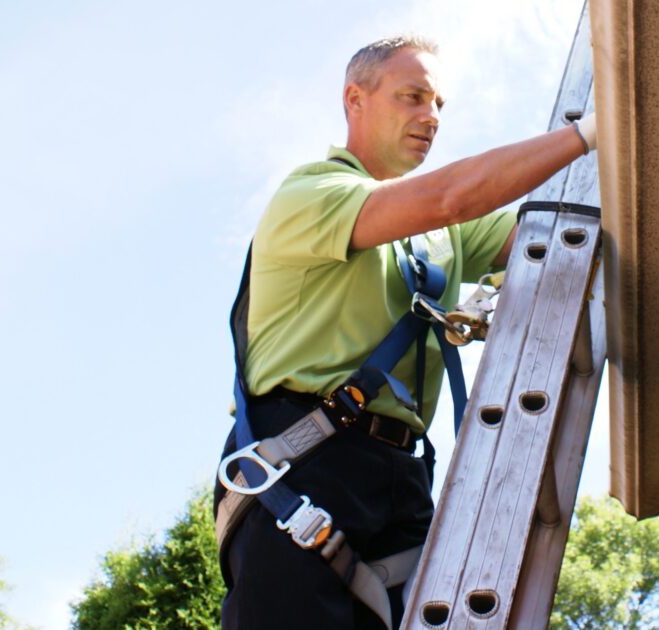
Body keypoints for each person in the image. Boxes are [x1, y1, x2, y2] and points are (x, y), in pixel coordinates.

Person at [214, 35, 596, 629]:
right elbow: (449, 196)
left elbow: (546, 239)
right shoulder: (310, 194)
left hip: (402, 480)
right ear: (355, 98)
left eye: (440, 103)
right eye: (413, 97)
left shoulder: (439, 239)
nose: (431, 117)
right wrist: (590, 133)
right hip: (305, 465)